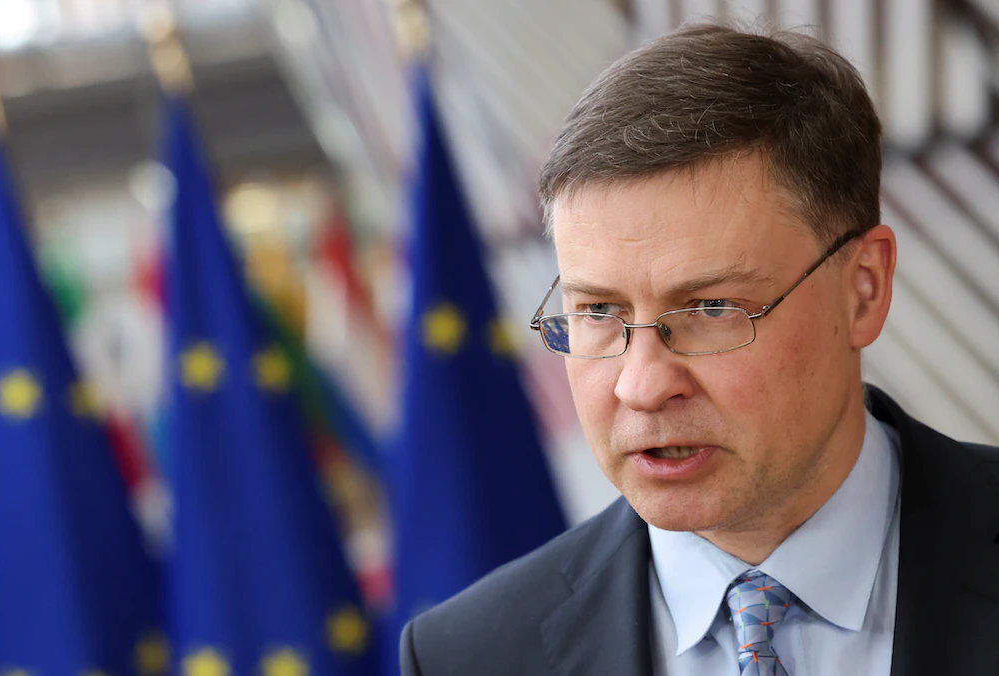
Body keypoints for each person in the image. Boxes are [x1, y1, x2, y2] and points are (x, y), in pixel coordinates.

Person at [399, 22, 999, 676]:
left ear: (863, 289)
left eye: (710, 309)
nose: (642, 386)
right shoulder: (466, 656)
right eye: (598, 312)